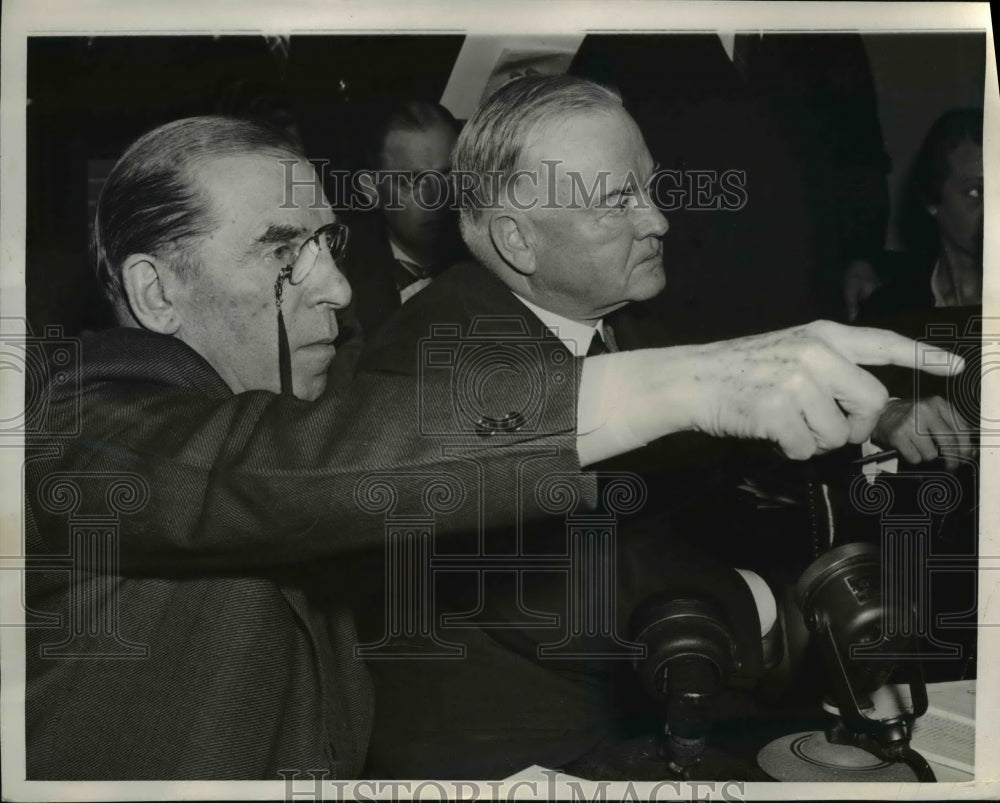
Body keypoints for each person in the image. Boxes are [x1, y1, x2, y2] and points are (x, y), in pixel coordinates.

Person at [24, 111, 958, 780]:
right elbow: (299, 463)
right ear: (155, 293)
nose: (337, 289)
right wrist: (693, 382)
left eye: (329, 246)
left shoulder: (313, 396)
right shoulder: (77, 430)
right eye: (282, 254)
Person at [354, 75, 958, 778]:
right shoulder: (434, 354)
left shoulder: (616, 320)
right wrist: (779, 607)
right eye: (618, 202)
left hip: (628, 710)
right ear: (518, 239)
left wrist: (869, 417)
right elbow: (555, 577)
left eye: (649, 187)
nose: (659, 220)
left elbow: (708, 446)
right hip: (519, 758)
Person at [340, 99, 468, 342]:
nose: (436, 198)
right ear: (372, 190)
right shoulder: (342, 282)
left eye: (448, 176)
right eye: (412, 181)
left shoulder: (497, 259)